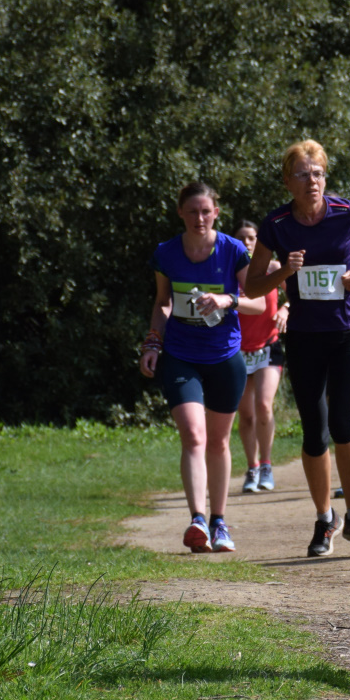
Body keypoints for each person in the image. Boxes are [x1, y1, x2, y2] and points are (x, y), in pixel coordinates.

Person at [246, 140, 350, 557]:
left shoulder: (346, 212)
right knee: (313, 431)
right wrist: (285, 271)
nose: (312, 181)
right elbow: (252, 286)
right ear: (288, 181)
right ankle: (325, 520)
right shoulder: (276, 224)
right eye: (302, 175)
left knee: (343, 422)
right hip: (305, 336)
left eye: (318, 173)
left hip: (347, 332)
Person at [139, 182, 265, 553]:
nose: (199, 218)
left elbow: (259, 303)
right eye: (192, 211)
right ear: (180, 212)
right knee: (194, 435)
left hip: (225, 357)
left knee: (219, 440)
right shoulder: (166, 253)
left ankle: (219, 521)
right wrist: (153, 341)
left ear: (216, 213)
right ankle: (197, 519)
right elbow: (163, 302)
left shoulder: (233, 249)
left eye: (206, 211)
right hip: (181, 355)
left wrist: (227, 300)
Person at [234, 220, 289, 493]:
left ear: (259, 241)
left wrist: (286, 309)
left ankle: (266, 465)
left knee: (264, 405)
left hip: (268, 346)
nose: (247, 242)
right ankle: (252, 467)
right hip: (238, 350)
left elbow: (297, 294)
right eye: (241, 238)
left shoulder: (274, 267)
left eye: (252, 237)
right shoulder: (230, 271)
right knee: (246, 415)